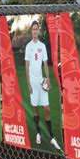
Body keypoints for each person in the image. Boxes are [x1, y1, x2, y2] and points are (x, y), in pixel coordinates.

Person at [24, 20, 62, 151]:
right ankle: (38, 133)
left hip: (41, 80)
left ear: (38, 31)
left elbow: (45, 64)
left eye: (36, 29)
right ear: (31, 31)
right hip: (32, 82)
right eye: (33, 29)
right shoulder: (29, 47)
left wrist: (48, 79)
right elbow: (27, 66)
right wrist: (28, 83)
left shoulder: (42, 46)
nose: (35, 31)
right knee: (35, 109)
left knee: (46, 108)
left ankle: (51, 136)